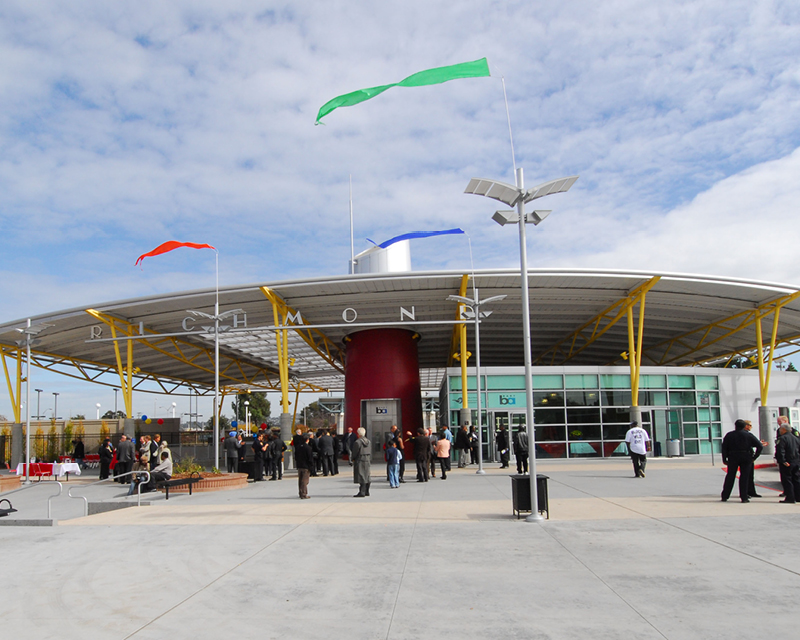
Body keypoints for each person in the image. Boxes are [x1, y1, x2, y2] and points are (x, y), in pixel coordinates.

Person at [721, 419, 763, 503]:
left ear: (735, 426)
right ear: (744, 426)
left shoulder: (729, 435)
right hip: (746, 456)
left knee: (730, 476)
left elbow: (724, 448)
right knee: (744, 477)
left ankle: (725, 496)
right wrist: (754, 457)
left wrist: (724, 458)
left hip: (733, 456)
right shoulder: (748, 435)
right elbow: (759, 446)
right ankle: (744, 497)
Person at [775, 421, 800, 503]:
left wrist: (782, 460)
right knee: (796, 479)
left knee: (787, 480)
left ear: (783, 430)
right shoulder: (796, 438)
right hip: (796, 461)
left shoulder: (782, 438)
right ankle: (798, 497)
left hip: (787, 462)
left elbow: (780, 450)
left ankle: (790, 498)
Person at [351, 427, 371, 497]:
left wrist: (352, 459)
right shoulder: (368, 442)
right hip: (367, 459)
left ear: (358, 434)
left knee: (361, 475)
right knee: (367, 475)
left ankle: (362, 491)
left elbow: (355, 452)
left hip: (360, 459)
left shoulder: (357, 442)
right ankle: (367, 491)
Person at [294, 433, 313, 499]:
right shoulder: (308, 448)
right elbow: (310, 458)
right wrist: (311, 466)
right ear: (307, 440)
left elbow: (296, 456)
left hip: (300, 465)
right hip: (306, 466)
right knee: (305, 480)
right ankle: (304, 494)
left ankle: (300, 492)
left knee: (300, 480)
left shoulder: (298, 447)